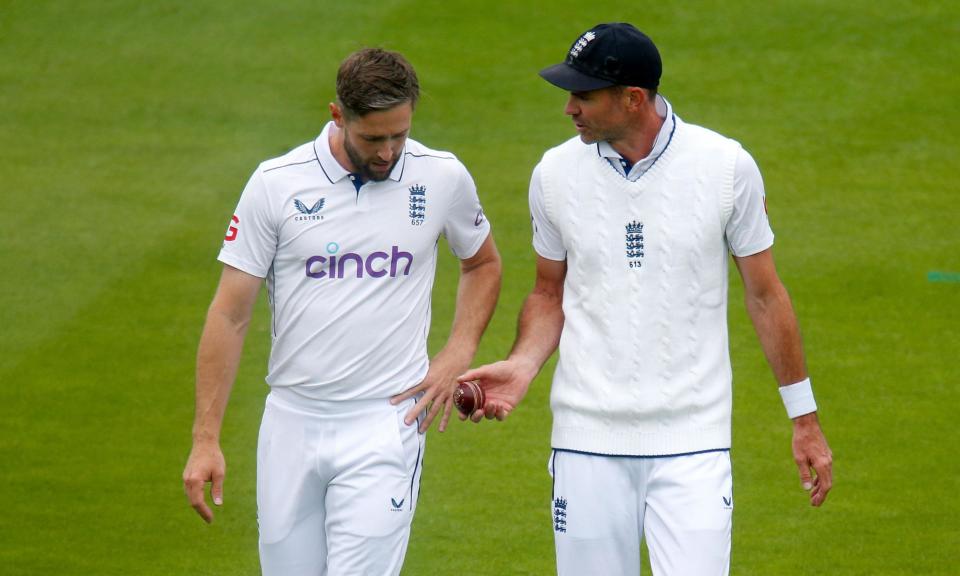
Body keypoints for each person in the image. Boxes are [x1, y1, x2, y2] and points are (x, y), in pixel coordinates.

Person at [458, 23, 833, 575]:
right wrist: (522, 364)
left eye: (583, 96)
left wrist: (804, 419)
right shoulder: (554, 174)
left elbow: (765, 295)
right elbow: (548, 291)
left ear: (632, 99)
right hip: (586, 439)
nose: (569, 109)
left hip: (694, 442)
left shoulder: (726, 168)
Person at [182, 47, 501, 576]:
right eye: (374, 138)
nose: (389, 152)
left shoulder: (441, 177)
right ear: (338, 115)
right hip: (291, 421)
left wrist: (457, 350)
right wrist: (204, 440)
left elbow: (483, 263)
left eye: (400, 134)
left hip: (387, 419)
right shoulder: (276, 184)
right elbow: (229, 315)